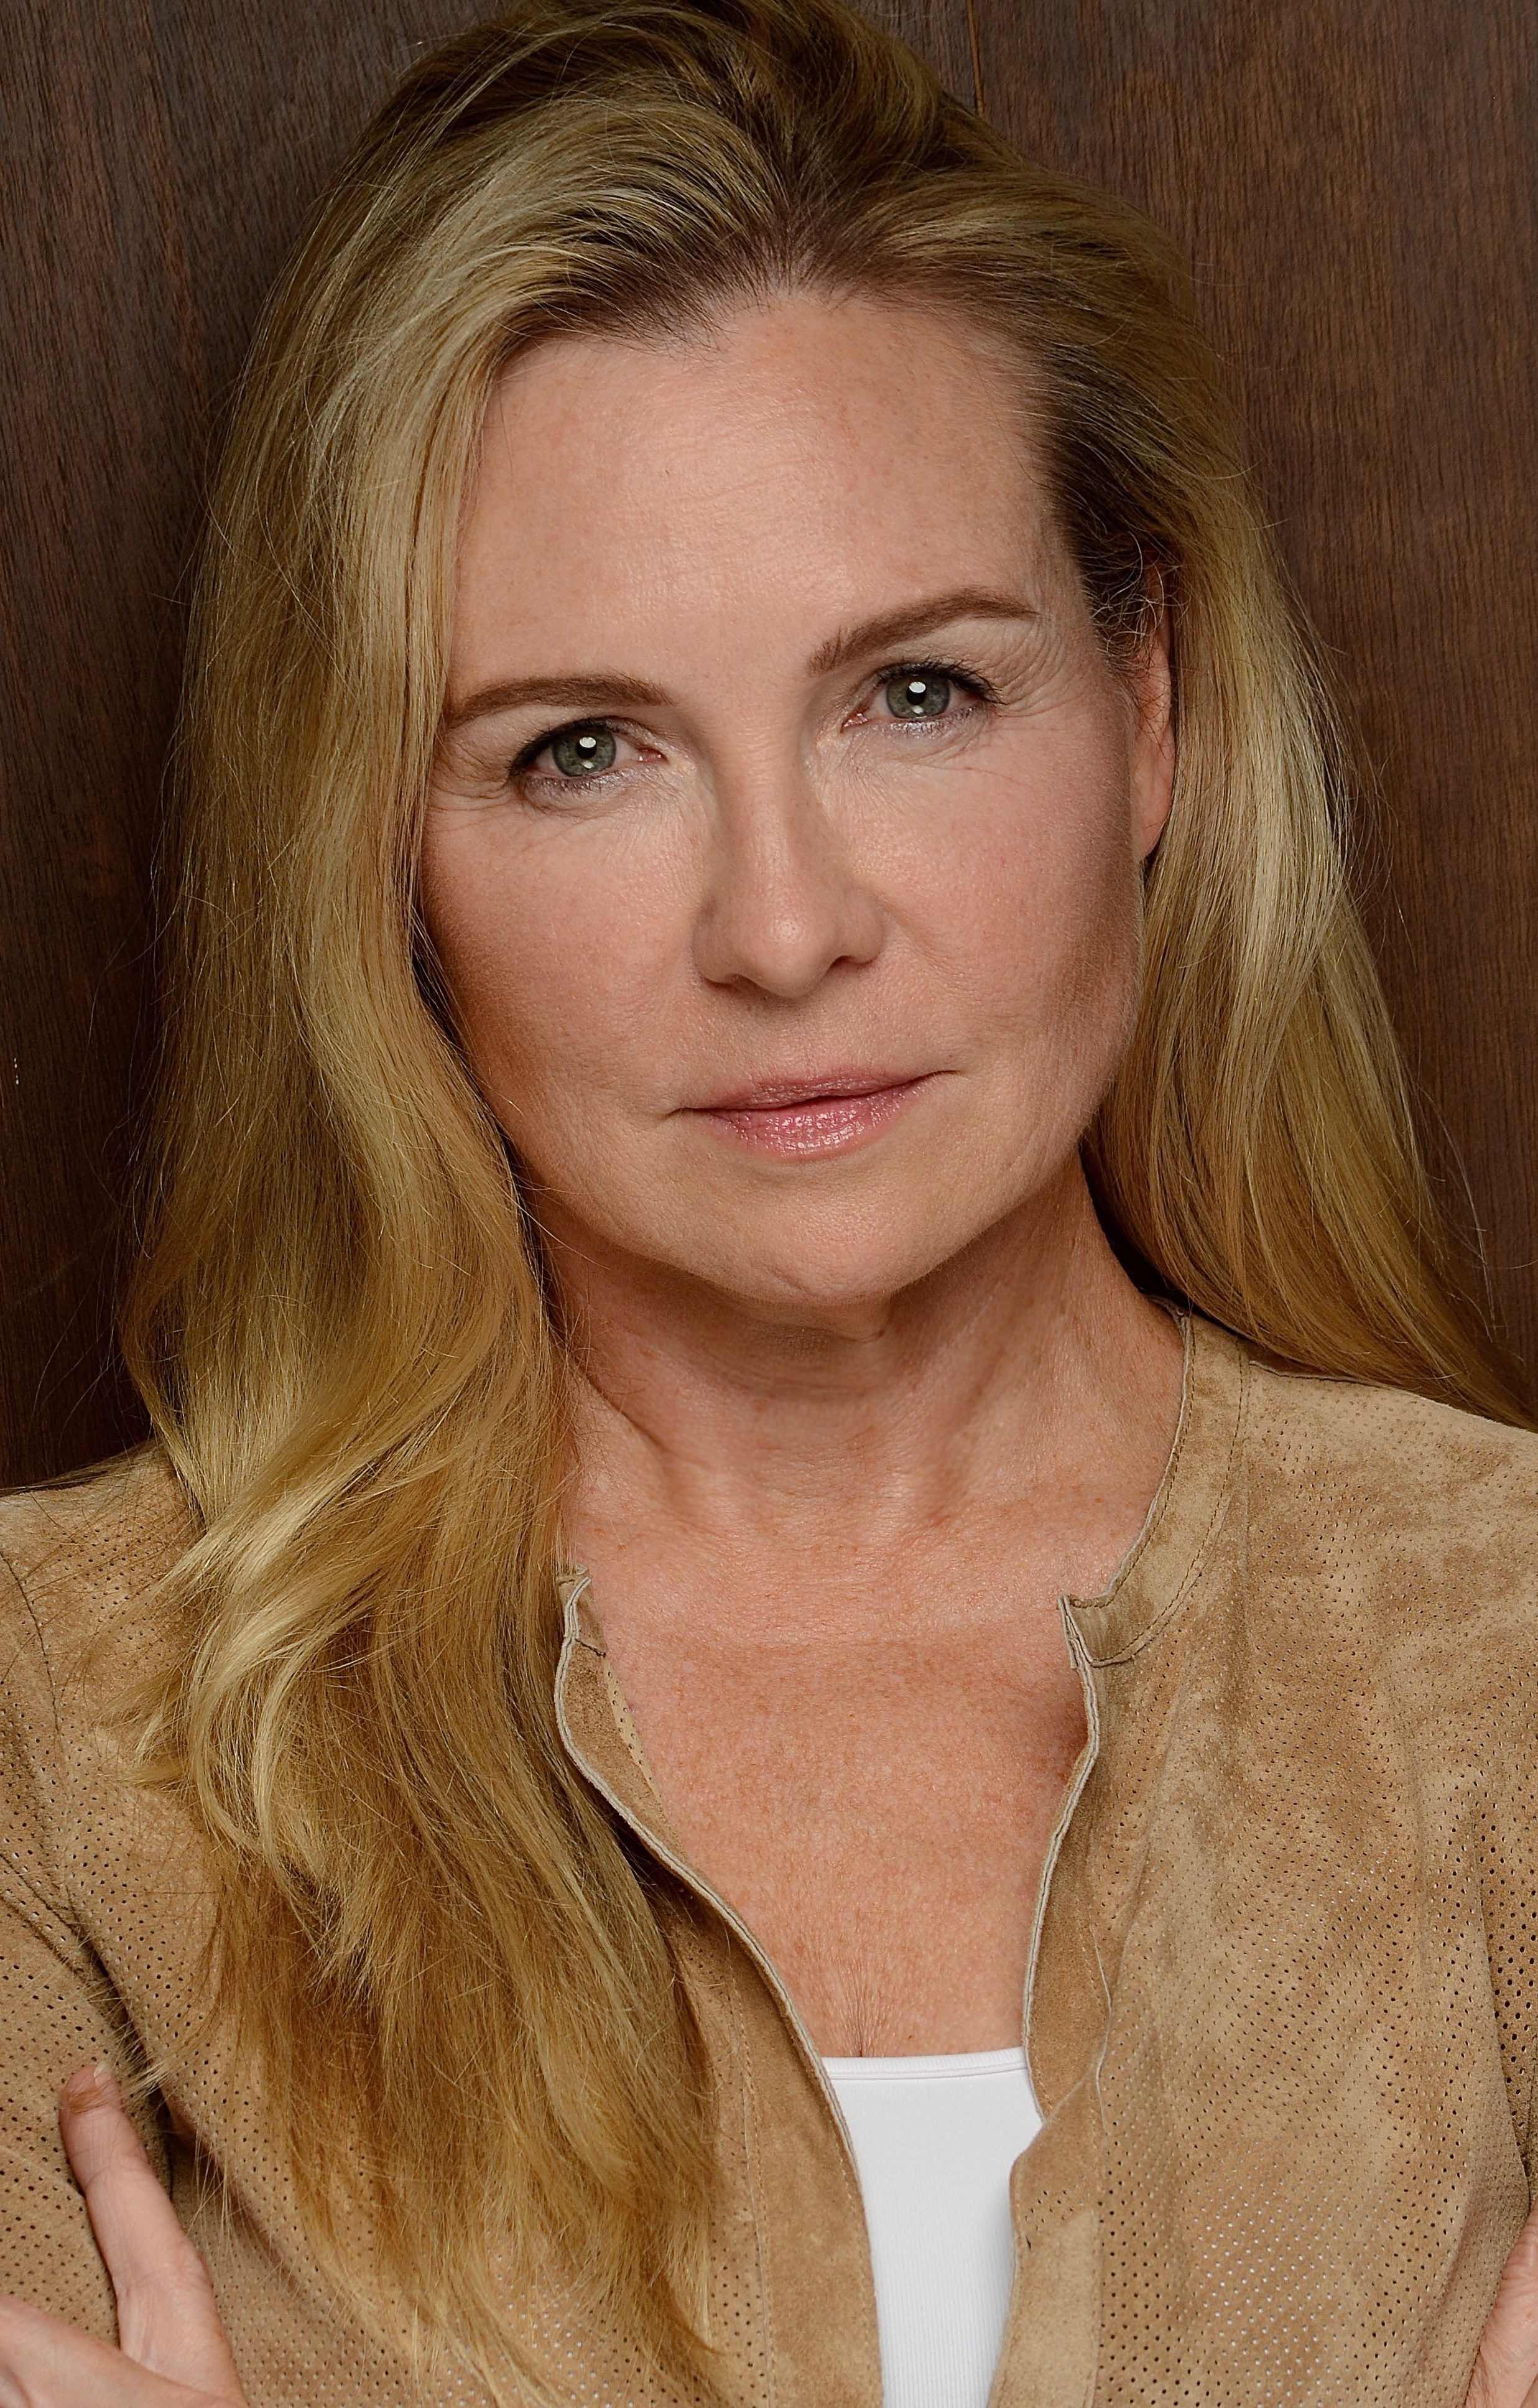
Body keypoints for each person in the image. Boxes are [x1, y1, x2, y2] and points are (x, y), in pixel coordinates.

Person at [3, 0, 1538, 2401]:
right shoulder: (51, 1737)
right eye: (578, 750)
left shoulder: (1501, 1649)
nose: (785, 928)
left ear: (1146, 711)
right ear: (377, 856)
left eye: (914, 695)